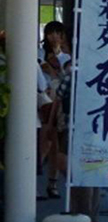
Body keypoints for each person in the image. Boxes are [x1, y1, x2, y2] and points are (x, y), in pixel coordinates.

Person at [39, 20, 71, 199]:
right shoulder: (41, 52)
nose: (54, 37)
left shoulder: (68, 55)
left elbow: (64, 76)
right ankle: (38, 176)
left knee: (54, 144)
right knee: (46, 142)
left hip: (58, 103)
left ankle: (52, 182)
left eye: (57, 33)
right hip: (44, 101)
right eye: (50, 33)